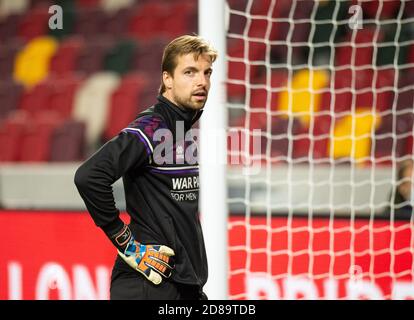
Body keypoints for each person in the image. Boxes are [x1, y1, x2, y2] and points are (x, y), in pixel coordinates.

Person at [74, 35, 217, 300]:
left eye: (207, 72)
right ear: (167, 79)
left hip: (181, 285)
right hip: (148, 286)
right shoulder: (153, 127)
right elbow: (89, 176)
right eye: (190, 72)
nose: (202, 81)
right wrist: (127, 244)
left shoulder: (181, 128)